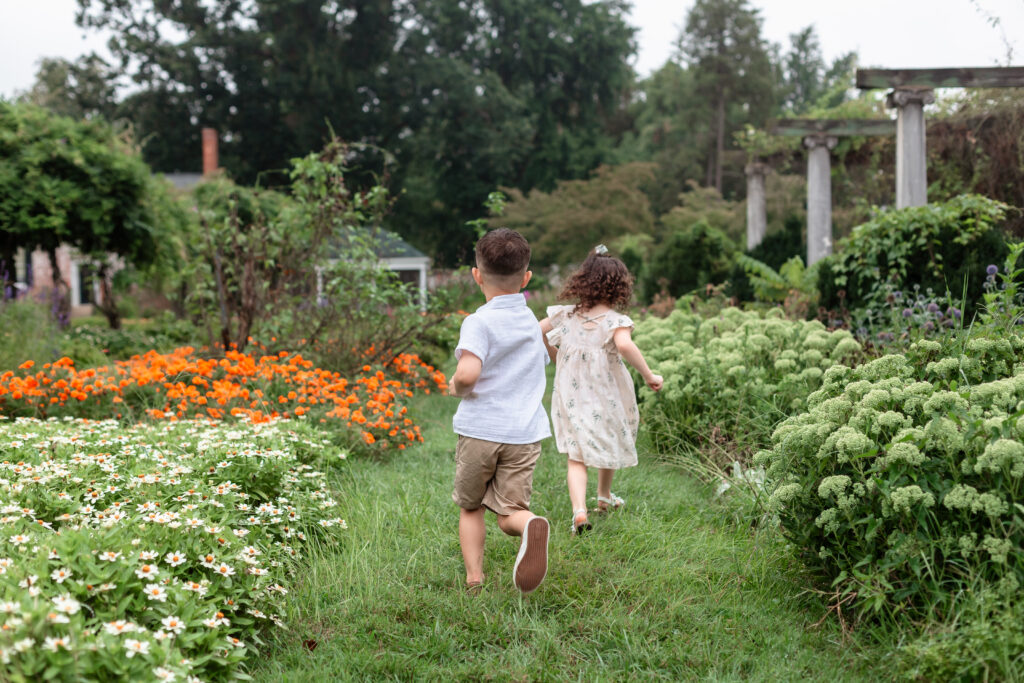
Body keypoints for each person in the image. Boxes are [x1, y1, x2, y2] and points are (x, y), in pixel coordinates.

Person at [447, 228, 552, 594]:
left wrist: (456, 384)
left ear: (477, 275)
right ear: (526, 279)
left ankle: (474, 579)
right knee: (509, 513)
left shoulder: (478, 321)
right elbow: (545, 355)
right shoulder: (529, 322)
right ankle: (529, 524)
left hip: (480, 431)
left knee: (471, 506)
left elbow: (469, 372)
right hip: (524, 435)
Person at [539, 245, 663, 535]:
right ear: (618, 287)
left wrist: (554, 355)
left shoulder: (566, 315)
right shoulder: (615, 321)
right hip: (606, 395)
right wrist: (649, 375)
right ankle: (604, 496)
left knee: (576, 455)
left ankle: (581, 511)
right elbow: (624, 345)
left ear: (582, 281)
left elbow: (537, 331)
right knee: (608, 437)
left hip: (570, 396)